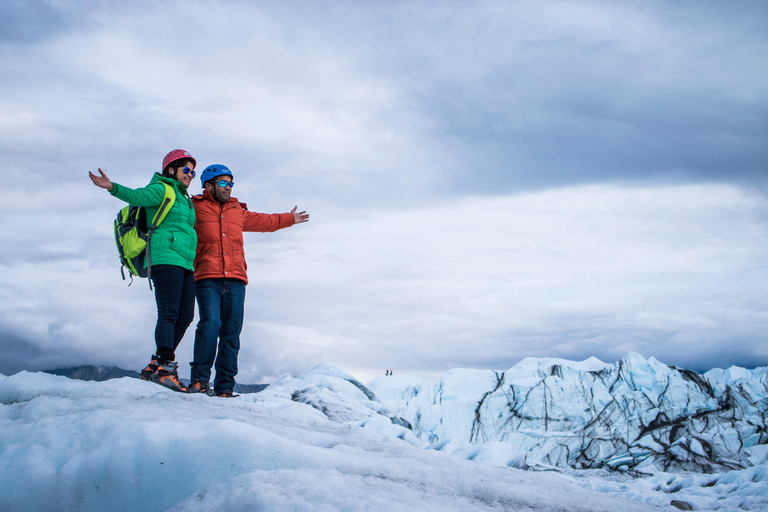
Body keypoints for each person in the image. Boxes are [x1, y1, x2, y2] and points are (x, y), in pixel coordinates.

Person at [188, 164, 309, 397]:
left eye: (231, 183)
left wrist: (289, 218)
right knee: (210, 325)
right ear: (208, 185)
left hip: (235, 279)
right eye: (223, 183)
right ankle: (200, 381)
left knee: (231, 333)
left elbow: (265, 221)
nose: (229, 187)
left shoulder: (237, 210)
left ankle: (224, 387)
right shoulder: (194, 207)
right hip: (206, 276)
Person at [89, 149, 198, 392]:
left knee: (186, 316)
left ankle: (158, 362)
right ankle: (166, 369)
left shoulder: (185, 198)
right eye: (186, 170)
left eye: (193, 171)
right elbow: (137, 196)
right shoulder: (162, 188)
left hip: (186, 262)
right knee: (169, 313)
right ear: (172, 170)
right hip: (164, 257)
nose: (191, 175)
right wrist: (112, 187)